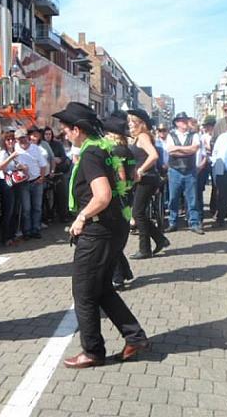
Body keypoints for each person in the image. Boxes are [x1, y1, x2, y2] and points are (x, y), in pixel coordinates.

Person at [53, 102, 149, 369]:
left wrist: (81, 217)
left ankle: (93, 351)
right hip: (112, 227)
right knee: (102, 288)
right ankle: (135, 336)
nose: (63, 132)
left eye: (66, 127)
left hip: (98, 230)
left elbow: (103, 196)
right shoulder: (102, 148)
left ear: (77, 129)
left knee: (83, 293)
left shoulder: (92, 154)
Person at [127, 108, 169, 260]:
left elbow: (154, 155)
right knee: (139, 213)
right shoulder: (138, 137)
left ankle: (145, 249)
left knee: (138, 213)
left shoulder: (143, 136)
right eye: (129, 122)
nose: (130, 124)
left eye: (133, 122)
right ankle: (160, 239)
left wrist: (140, 170)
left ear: (141, 123)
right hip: (145, 179)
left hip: (147, 179)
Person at [101, 113, 135, 289]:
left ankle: (118, 277)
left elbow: (120, 175)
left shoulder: (113, 151)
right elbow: (135, 175)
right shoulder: (128, 150)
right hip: (128, 197)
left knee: (113, 240)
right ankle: (124, 272)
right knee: (118, 238)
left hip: (118, 198)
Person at [165, 112, 203, 234]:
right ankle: (173, 222)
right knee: (173, 198)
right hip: (175, 170)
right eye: (182, 120)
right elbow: (170, 151)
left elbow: (195, 148)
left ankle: (194, 223)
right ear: (176, 123)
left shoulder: (194, 134)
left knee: (192, 198)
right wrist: (188, 150)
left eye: (186, 120)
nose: (184, 122)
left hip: (190, 170)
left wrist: (178, 149)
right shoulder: (170, 135)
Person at [14, 128, 48, 239]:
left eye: (23, 137)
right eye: (19, 139)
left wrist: (42, 177)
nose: (22, 140)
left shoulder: (36, 148)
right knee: (26, 209)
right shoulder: (15, 149)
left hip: (36, 181)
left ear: (27, 137)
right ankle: (27, 231)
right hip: (23, 182)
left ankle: (36, 229)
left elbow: (43, 165)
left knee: (37, 207)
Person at [0, 130, 22, 245]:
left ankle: (13, 234)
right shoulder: (2, 153)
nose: (10, 141)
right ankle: (6, 237)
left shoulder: (15, 152)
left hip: (16, 182)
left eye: (12, 139)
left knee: (15, 210)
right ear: (4, 142)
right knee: (8, 211)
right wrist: (11, 157)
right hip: (6, 184)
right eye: (8, 140)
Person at [44, 127, 71, 223]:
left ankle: (63, 215)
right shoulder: (42, 145)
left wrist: (57, 159)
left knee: (61, 195)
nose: (48, 136)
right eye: (46, 134)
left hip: (59, 172)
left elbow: (64, 157)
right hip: (46, 174)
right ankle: (48, 216)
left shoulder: (58, 144)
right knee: (48, 198)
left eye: (49, 134)